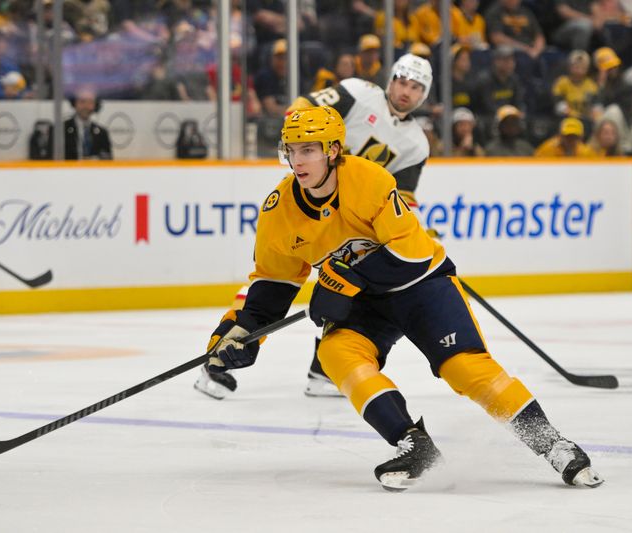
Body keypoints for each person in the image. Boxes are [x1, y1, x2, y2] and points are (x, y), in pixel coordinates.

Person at [202, 105, 603, 491]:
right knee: (336, 353)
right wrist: (240, 333)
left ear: (333, 151)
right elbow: (272, 285)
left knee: (464, 369)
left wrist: (344, 280)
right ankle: (414, 444)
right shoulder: (278, 212)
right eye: (292, 150)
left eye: (309, 149)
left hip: (420, 284)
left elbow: (409, 256)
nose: (299, 160)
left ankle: (553, 444)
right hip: (364, 304)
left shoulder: (369, 180)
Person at [194, 54, 434, 399]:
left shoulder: (417, 142)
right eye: (402, 81)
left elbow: (403, 195)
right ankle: (221, 355)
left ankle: (322, 371)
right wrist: (304, 154)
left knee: (351, 286)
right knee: (272, 281)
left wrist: (412, 229)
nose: (406, 92)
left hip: (353, 221)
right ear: (391, 79)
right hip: (312, 197)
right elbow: (302, 110)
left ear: (423, 95)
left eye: (416, 87)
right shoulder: (358, 92)